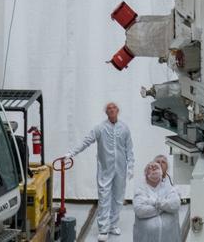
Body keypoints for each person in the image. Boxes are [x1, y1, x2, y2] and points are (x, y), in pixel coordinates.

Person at [68, 102, 134, 242]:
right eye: (108, 108)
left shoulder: (124, 129)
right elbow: (86, 142)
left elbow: (129, 148)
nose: (111, 110)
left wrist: (131, 166)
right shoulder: (100, 128)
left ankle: (113, 224)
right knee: (104, 198)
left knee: (118, 198)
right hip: (105, 170)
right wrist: (72, 153)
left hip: (120, 169)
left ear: (118, 110)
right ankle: (103, 228)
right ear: (105, 112)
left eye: (113, 107)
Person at [133, 160, 182, 242]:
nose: (153, 167)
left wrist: (155, 203)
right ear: (146, 174)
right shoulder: (140, 190)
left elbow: (175, 204)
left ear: (161, 173)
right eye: (150, 167)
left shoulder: (169, 188)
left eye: (156, 167)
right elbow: (139, 210)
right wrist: (164, 208)